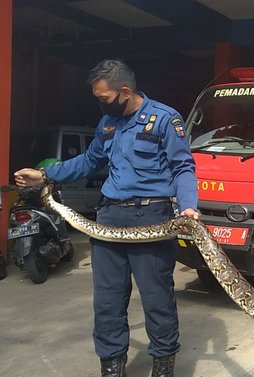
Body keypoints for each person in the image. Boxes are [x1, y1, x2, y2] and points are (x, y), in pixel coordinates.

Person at [14, 59, 199, 377]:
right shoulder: (108, 124)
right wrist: (45, 175)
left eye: (104, 98)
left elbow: (183, 167)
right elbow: (89, 161)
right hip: (109, 217)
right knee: (108, 300)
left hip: (151, 217)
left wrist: (188, 207)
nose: (101, 104)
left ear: (124, 92)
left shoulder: (165, 120)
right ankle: (112, 365)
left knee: (157, 298)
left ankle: (163, 364)